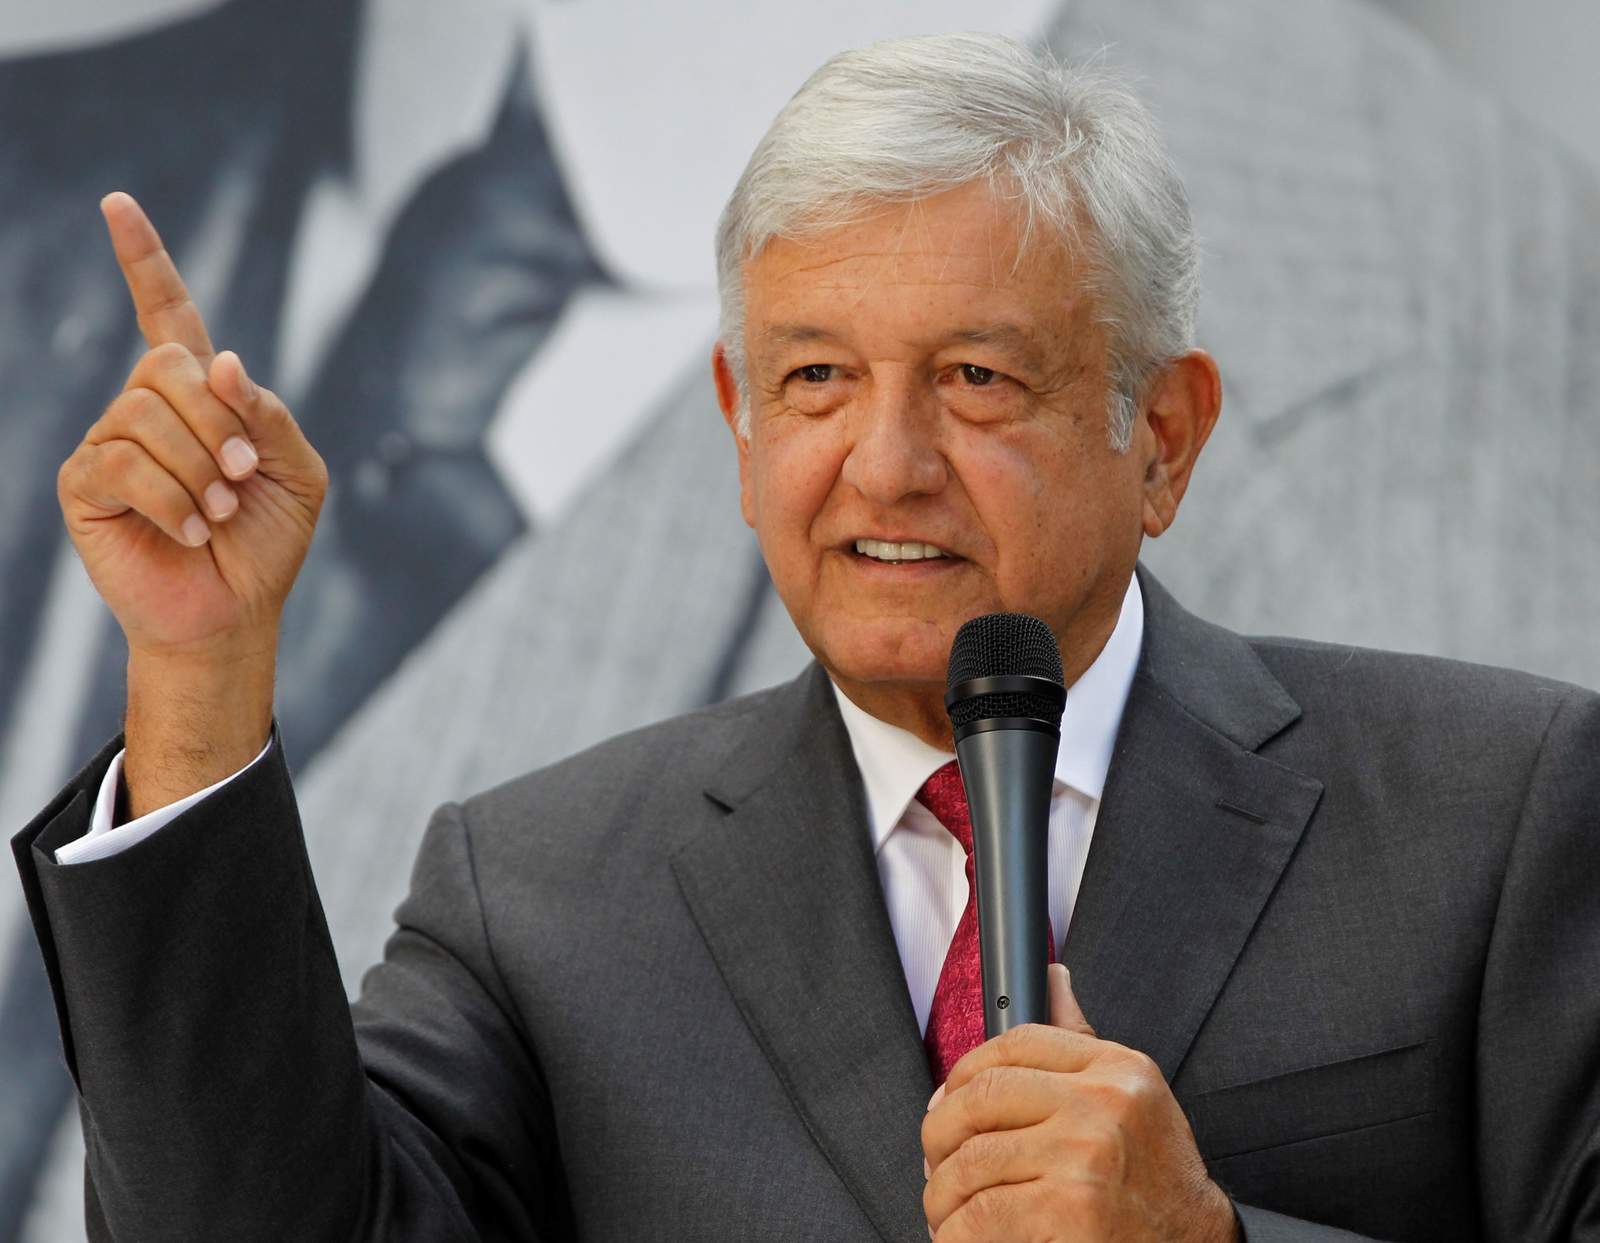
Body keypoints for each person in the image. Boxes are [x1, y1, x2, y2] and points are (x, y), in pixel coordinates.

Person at [12, 32, 1600, 1242]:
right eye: (817, 380)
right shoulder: (540, 895)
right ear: (739, 421)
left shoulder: (1501, 806)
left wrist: (1210, 1241)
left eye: (978, 379)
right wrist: (200, 677)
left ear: (1166, 438)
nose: (885, 465)